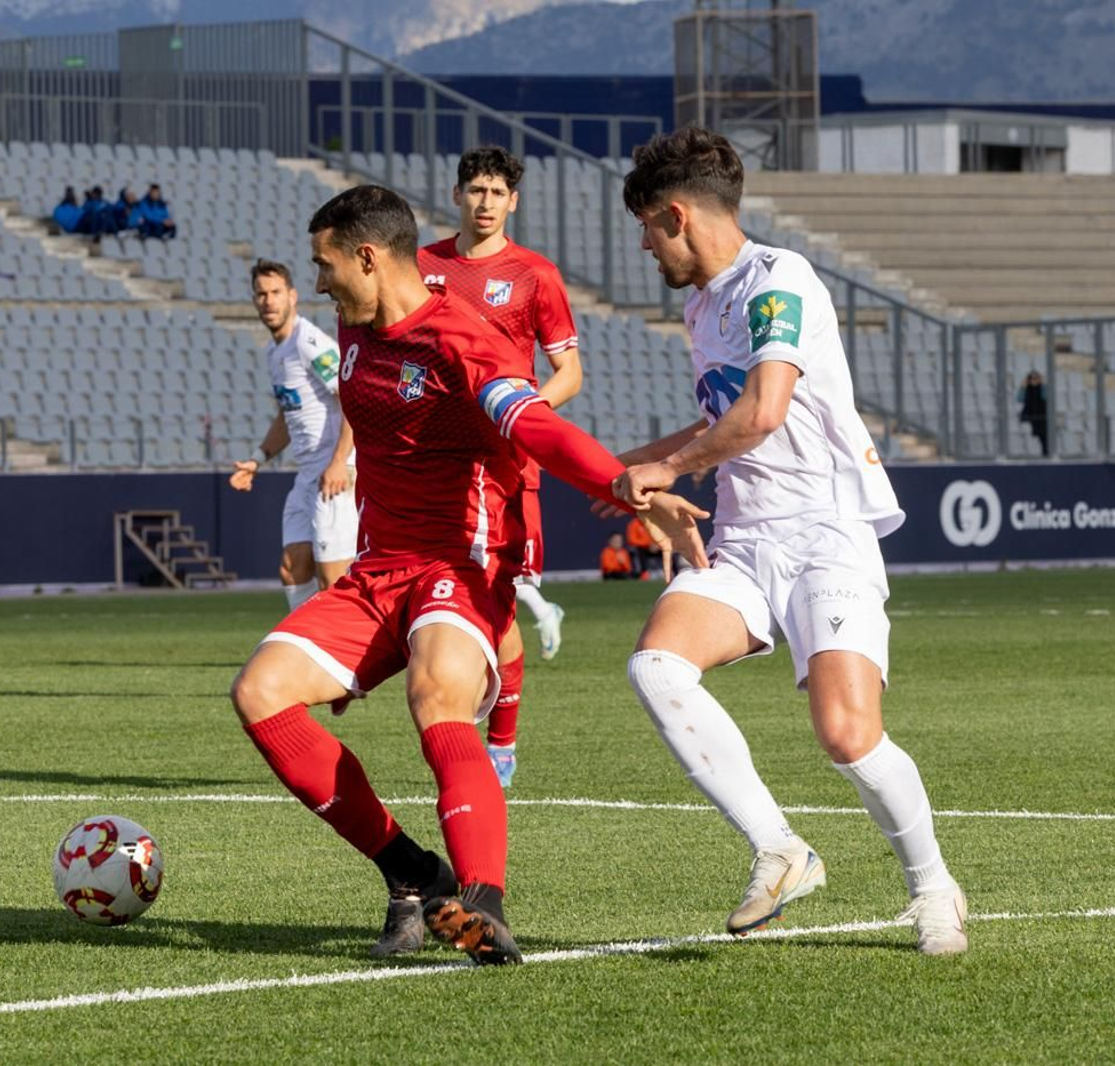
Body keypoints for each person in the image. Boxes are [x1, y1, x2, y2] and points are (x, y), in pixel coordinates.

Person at [228, 184, 707, 966]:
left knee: (435, 695)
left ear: (367, 256)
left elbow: (539, 428)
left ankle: (482, 902)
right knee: (259, 692)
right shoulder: (352, 332)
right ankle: (411, 872)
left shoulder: (460, 338)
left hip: (464, 562)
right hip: (380, 568)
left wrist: (626, 487)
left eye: (323, 265)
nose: (317, 283)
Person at [612, 126, 968, 955]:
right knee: (656, 667)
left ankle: (934, 887)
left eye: (645, 227)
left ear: (676, 215)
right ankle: (780, 848)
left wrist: (671, 470)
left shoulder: (781, 281)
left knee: (846, 734)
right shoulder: (705, 304)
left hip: (825, 535)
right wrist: (619, 469)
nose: (641, 245)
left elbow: (763, 412)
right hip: (743, 540)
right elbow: (718, 422)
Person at [418, 146, 582, 787]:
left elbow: (569, 372)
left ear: (513, 201)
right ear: (456, 193)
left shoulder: (535, 274)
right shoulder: (423, 266)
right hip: (430, 461)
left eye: (496, 192)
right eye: (475, 190)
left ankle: (501, 745)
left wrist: (522, 410)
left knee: (498, 600)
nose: (484, 202)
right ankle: (459, 727)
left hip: (505, 463)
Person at [229, 260, 357, 610]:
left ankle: (348, 656)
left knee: (333, 578)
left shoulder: (309, 341)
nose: (268, 301)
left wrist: (338, 463)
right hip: (307, 476)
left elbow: (351, 395)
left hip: (334, 473)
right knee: (293, 568)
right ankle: (305, 650)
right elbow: (288, 415)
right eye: (261, 294)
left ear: (292, 296)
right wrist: (257, 459)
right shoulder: (275, 352)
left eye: (275, 293)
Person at [1017, 370, 1049, 457]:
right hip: (1031, 417)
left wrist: (1043, 385)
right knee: (1039, 436)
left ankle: (1046, 453)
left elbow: (1046, 397)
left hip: (1043, 416)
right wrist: (1023, 387)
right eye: (1031, 379)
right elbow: (1020, 399)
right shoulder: (1027, 390)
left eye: (1036, 378)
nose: (1034, 380)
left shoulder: (1041, 388)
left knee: (1045, 437)